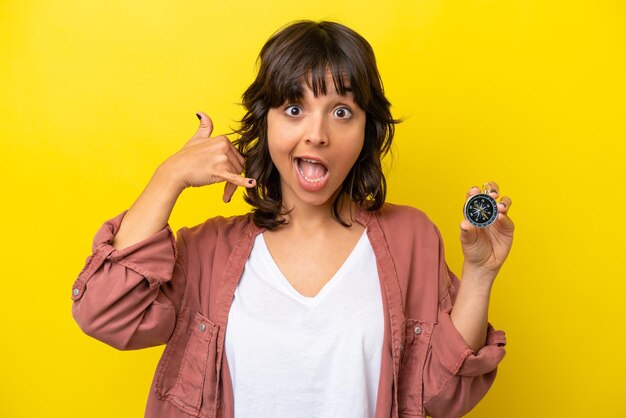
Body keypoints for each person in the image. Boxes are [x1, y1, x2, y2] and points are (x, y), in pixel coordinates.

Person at [71, 20, 514, 418]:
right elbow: (104, 312)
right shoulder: (206, 253)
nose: (317, 134)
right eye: (294, 109)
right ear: (266, 123)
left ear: (366, 130)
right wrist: (168, 177)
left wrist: (479, 272)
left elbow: (443, 396)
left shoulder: (410, 239)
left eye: (342, 112)